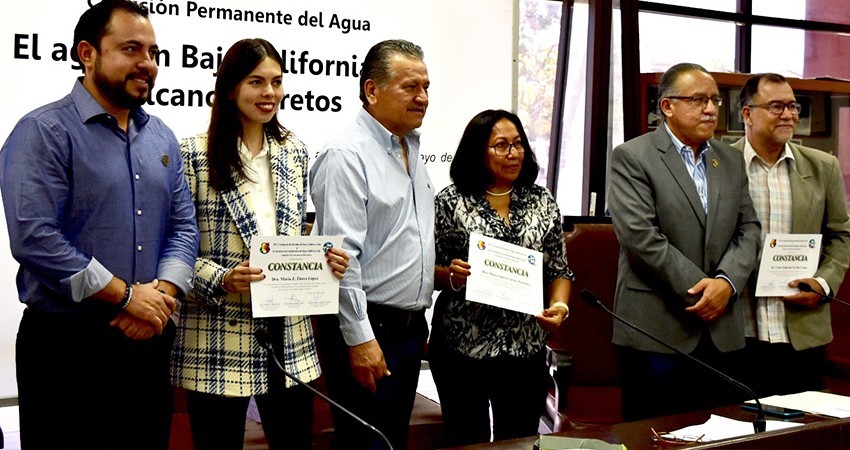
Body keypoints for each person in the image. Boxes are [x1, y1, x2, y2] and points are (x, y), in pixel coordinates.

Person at [0, 1, 200, 448]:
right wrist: (127, 296)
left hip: (149, 337)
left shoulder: (162, 137)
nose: (146, 63)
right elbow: (34, 237)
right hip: (67, 348)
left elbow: (184, 227)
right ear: (87, 53)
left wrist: (160, 298)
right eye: (131, 49)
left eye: (152, 52)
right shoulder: (42, 131)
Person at [170, 38, 349, 450]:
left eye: (277, 82)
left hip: (289, 336)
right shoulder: (191, 154)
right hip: (218, 334)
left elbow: (292, 236)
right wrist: (220, 278)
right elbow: (172, 246)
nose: (269, 93)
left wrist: (323, 259)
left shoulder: (295, 152)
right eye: (256, 82)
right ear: (230, 88)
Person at [607, 63, 761, 421]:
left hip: (720, 332)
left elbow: (749, 228)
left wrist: (725, 284)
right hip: (656, 331)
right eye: (698, 100)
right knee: (654, 438)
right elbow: (640, 237)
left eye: (715, 101)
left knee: (720, 438)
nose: (710, 109)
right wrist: (702, 289)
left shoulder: (730, 159)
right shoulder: (633, 156)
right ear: (667, 107)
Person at [309, 38, 434, 450]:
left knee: (392, 442)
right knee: (367, 445)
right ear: (372, 90)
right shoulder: (347, 154)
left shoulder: (411, 148)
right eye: (410, 87)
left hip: (409, 329)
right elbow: (340, 260)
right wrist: (361, 338)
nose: (423, 98)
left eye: (427, 87)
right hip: (369, 327)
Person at [428, 109, 573, 446]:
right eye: (501, 145)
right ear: (478, 151)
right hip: (462, 348)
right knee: (468, 443)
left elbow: (559, 270)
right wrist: (451, 275)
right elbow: (425, 271)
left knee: (520, 442)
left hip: (525, 348)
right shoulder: (450, 201)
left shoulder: (541, 199)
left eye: (519, 144)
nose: (513, 153)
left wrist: (560, 307)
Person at [733, 73, 850, 396]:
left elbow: (842, 236)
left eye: (793, 106)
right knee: (736, 437)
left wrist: (824, 283)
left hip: (801, 331)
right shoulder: (722, 165)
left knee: (800, 434)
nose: (788, 115)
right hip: (737, 331)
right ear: (747, 113)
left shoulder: (823, 166)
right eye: (776, 106)